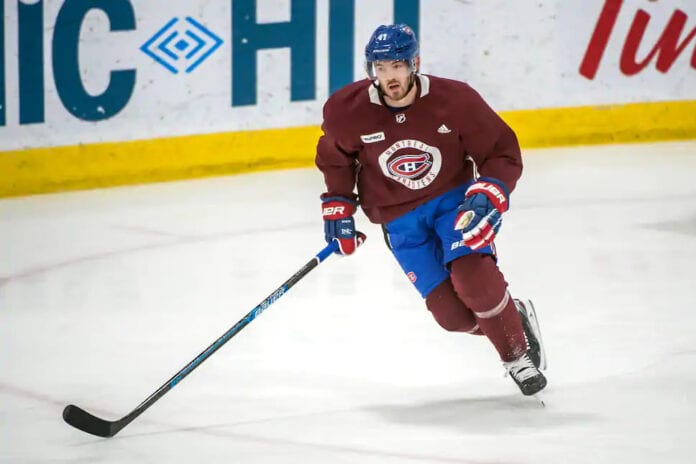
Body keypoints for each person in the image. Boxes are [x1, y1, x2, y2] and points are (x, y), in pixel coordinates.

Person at [315, 24, 547, 396]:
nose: (389, 77)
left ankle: (517, 357)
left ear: (415, 64)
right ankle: (512, 316)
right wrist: (339, 209)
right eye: (380, 68)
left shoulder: (455, 100)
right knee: (452, 317)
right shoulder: (348, 110)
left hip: (453, 204)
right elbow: (335, 160)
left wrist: (489, 190)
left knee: (474, 282)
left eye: (396, 66)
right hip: (399, 221)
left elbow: (500, 150)